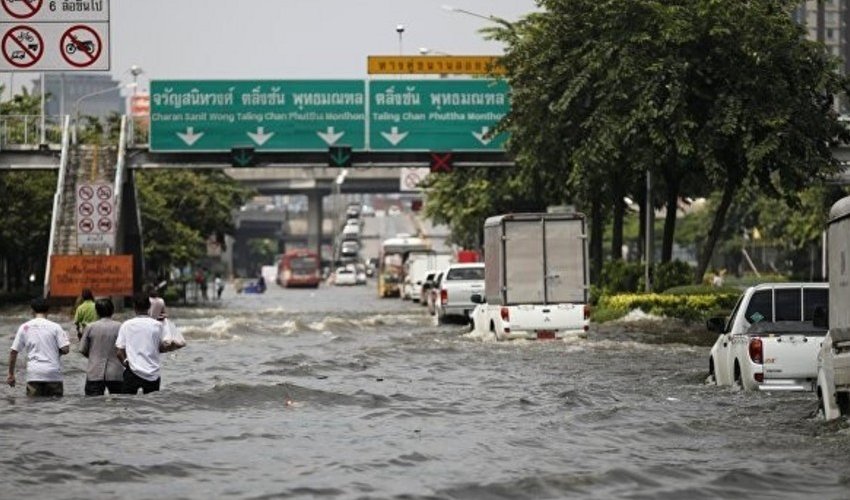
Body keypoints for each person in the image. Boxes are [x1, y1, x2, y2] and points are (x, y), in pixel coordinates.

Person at [7, 298, 71, 397]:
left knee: (34, 409)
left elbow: (13, 352)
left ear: (32, 310)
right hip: (53, 374)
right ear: (48, 310)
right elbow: (65, 349)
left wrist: (11, 374)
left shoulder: (25, 327)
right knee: (56, 409)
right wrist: (56, 352)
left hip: (34, 374)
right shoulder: (56, 327)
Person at [116, 293, 170, 395]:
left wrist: (125, 363)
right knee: (152, 407)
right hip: (152, 373)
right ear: (149, 307)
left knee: (127, 405)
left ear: (134, 307)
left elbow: (119, 352)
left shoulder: (126, 325)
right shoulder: (157, 325)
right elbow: (162, 347)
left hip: (132, 372)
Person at [79, 298, 124, 396]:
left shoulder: (90, 327)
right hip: (116, 373)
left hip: (94, 372)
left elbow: (82, 349)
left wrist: (93, 356)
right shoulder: (120, 326)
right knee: (119, 404)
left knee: (93, 405)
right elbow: (125, 349)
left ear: (97, 312)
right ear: (112, 310)